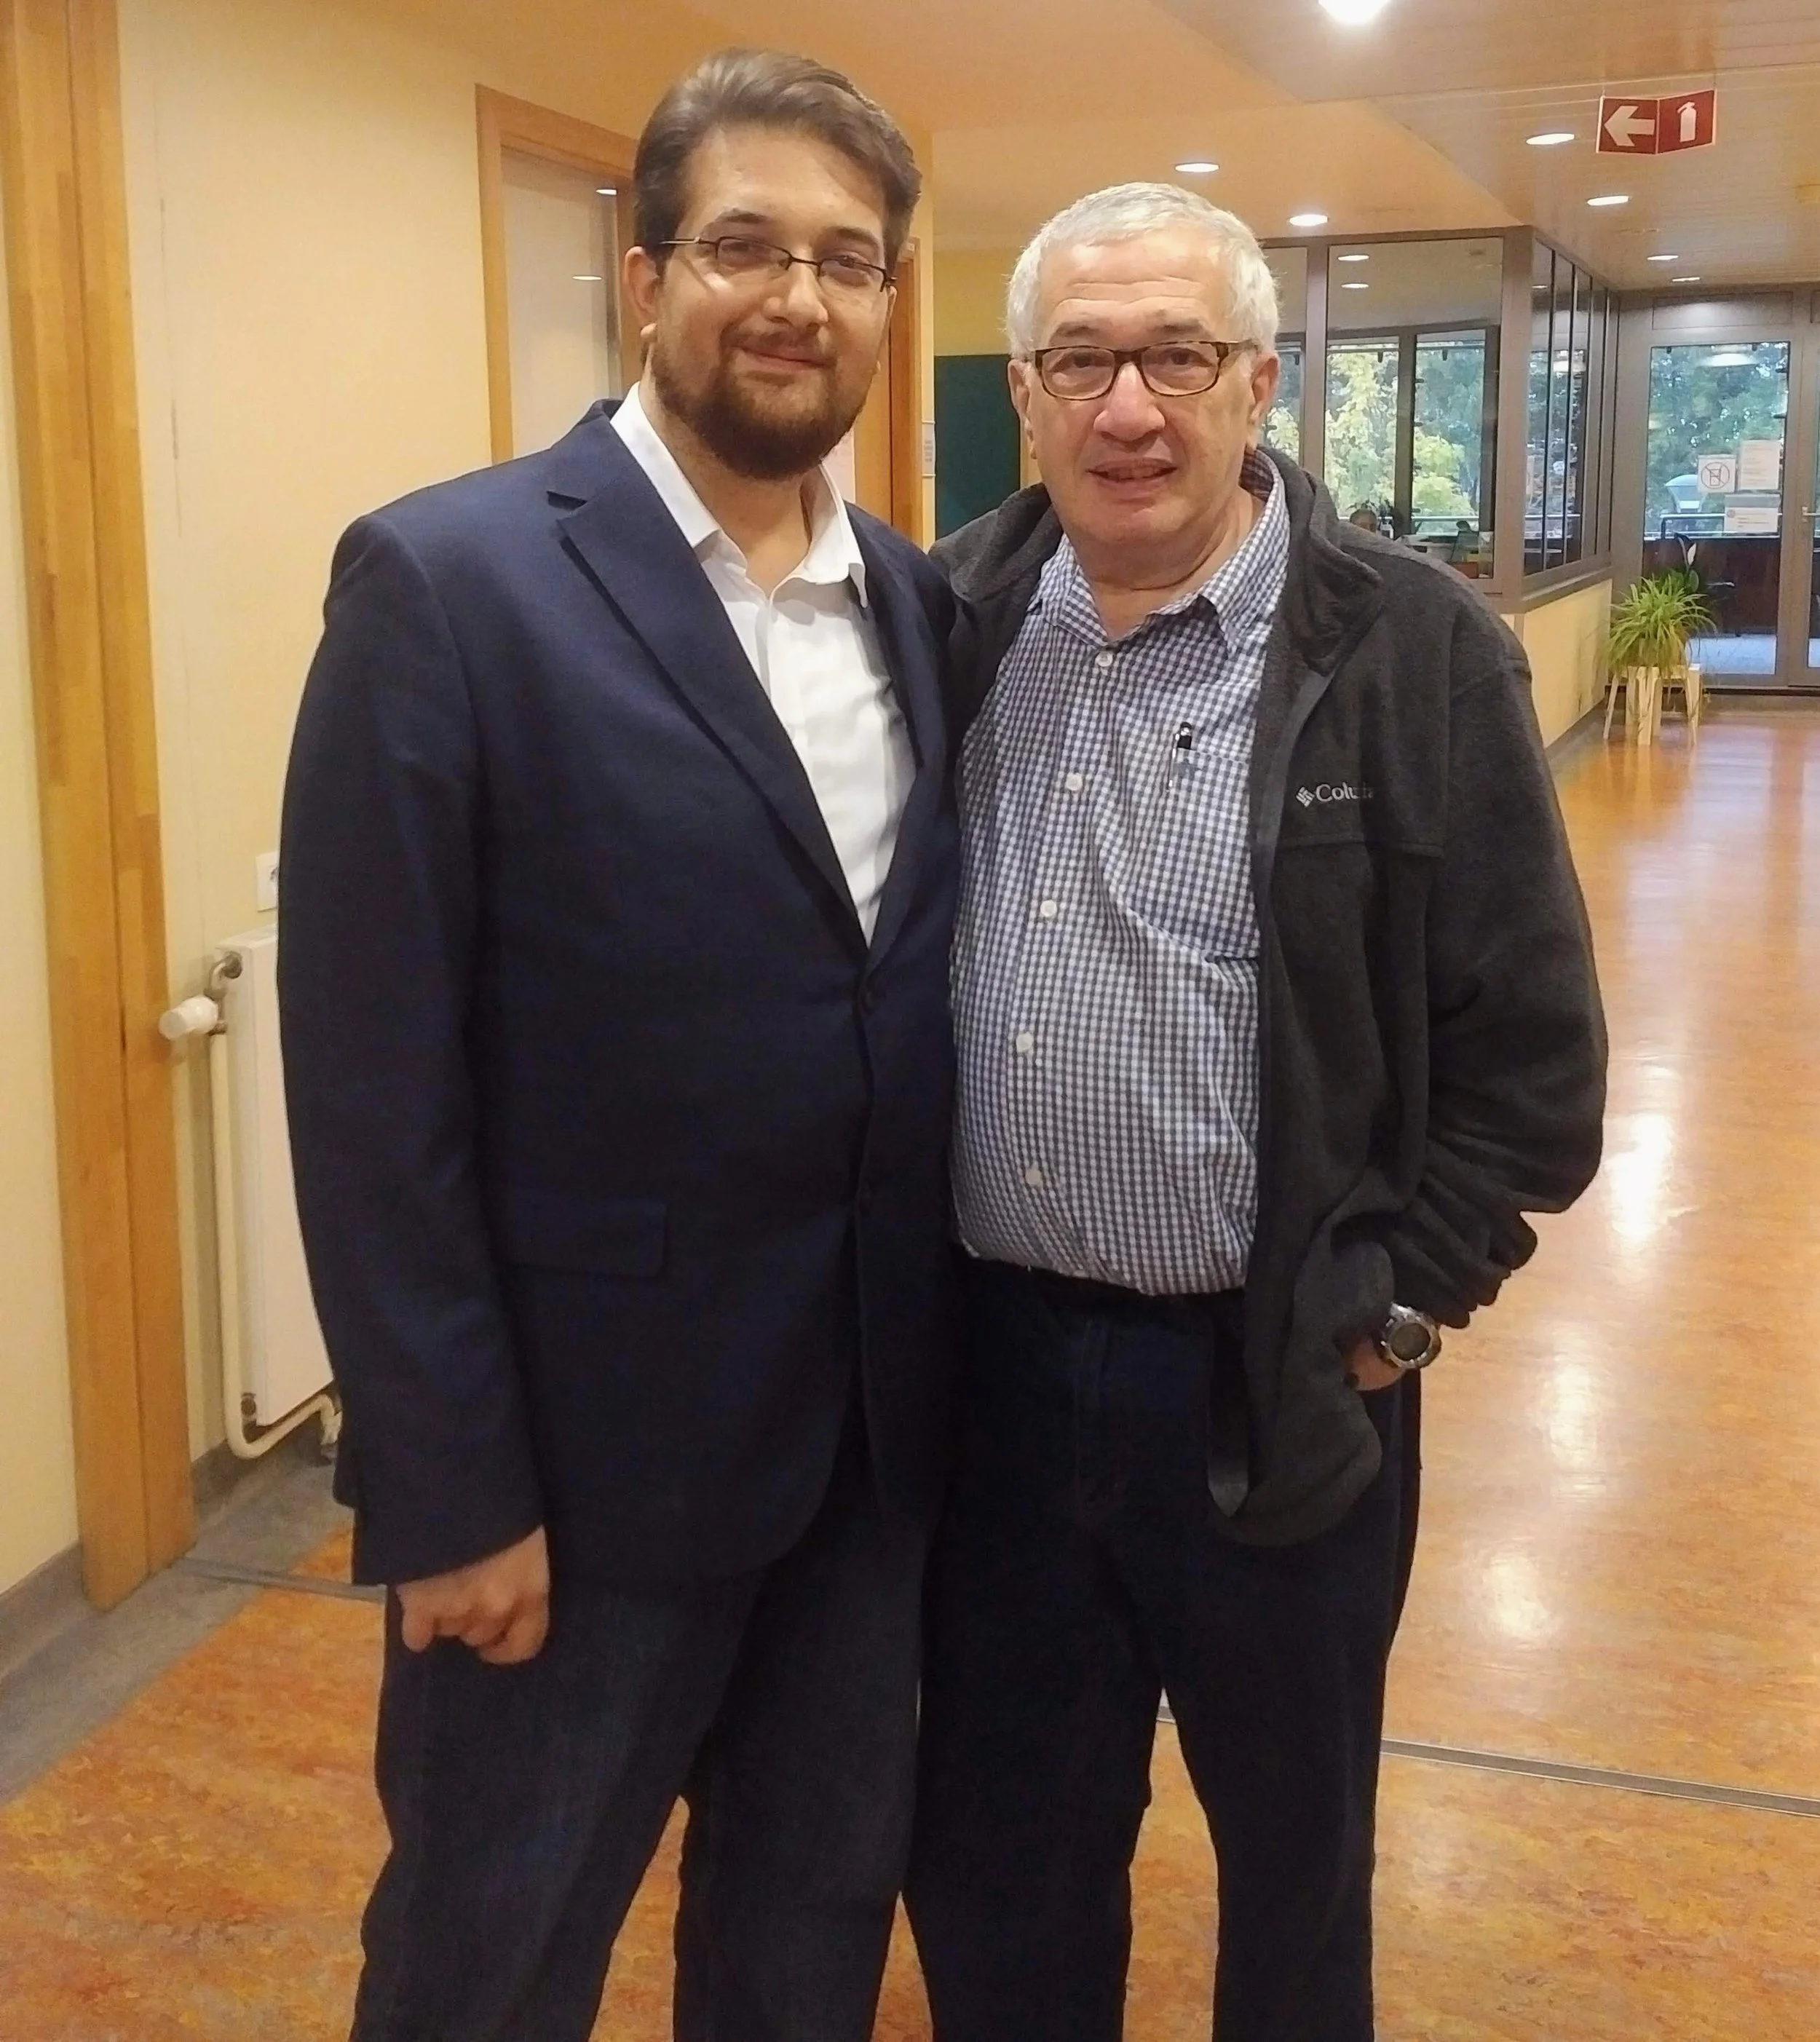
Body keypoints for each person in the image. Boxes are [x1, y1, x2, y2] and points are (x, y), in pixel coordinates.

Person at [279, 50, 959, 2042]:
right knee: (488, 1967)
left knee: (801, 1948)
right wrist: (445, 1491)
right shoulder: (450, 581)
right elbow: (370, 1089)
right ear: (647, 276)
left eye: (845, 258)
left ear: (885, 299)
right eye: (743, 246)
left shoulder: (914, 599)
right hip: (571, 1491)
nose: (796, 298)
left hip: (863, 1465)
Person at [905, 184, 1606, 2042]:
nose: (1129, 406)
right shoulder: (941, 622)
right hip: (990, 1383)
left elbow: (1533, 1069)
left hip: (1274, 1384)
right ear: (1022, 392)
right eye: (1081, 361)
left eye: (1176, 354)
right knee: (997, 1858)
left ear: (1257, 379)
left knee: (1293, 1879)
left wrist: (1393, 1309)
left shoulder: (1408, 650)